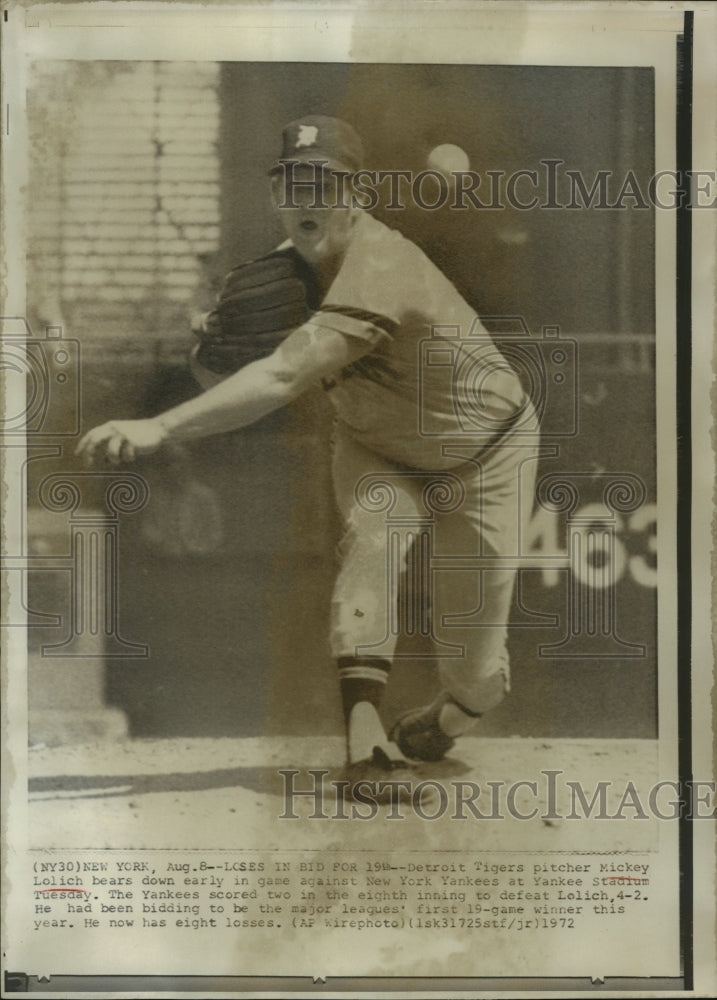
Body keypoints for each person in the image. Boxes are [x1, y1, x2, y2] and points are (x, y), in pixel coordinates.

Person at [77, 115, 540, 784]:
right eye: (291, 183)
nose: (305, 199)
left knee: (474, 675)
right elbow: (225, 375)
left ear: (354, 195)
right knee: (372, 549)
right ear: (275, 196)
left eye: (323, 184)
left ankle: (452, 716)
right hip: (375, 444)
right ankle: (364, 741)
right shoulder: (276, 277)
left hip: (485, 451)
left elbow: (282, 376)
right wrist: (217, 344)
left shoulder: (382, 263)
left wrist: (162, 426)